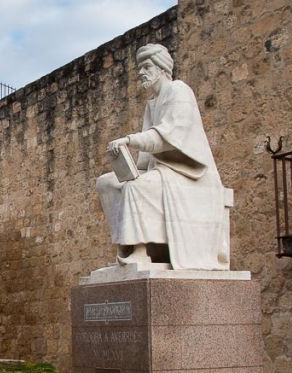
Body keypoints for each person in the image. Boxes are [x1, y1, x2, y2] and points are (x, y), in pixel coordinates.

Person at [95, 43, 228, 270]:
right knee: (106, 183)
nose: (141, 72)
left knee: (135, 187)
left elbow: (166, 136)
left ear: (161, 67)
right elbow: (147, 156)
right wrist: (128, 165)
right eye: (140, 67)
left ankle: (139, 252)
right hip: (162, 171)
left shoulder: (179, 90)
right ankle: (124, 249)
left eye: (147, 66)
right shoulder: (152, 105)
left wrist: (129, 140)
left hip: (189, 175)